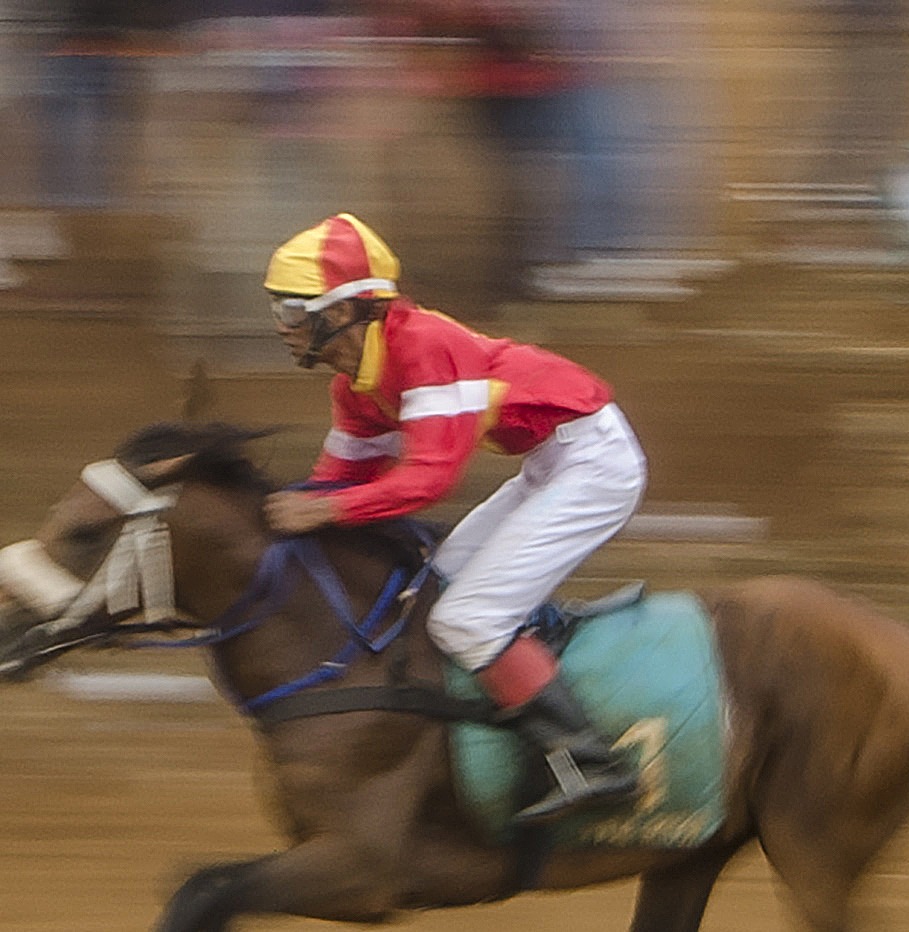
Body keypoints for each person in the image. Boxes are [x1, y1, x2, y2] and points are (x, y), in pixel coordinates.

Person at [260, 212, 644, 823]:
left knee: (468, 619)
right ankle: (529, 688)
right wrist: (267, 514)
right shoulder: (354, 384)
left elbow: (427, 481)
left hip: (594, 462)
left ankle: (595, 763)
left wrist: (324, 509)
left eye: (291, 311)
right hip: (551, 463)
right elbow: (337, 479)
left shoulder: (423, 347)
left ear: (342, 311)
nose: (281, 327)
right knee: (441, 590)